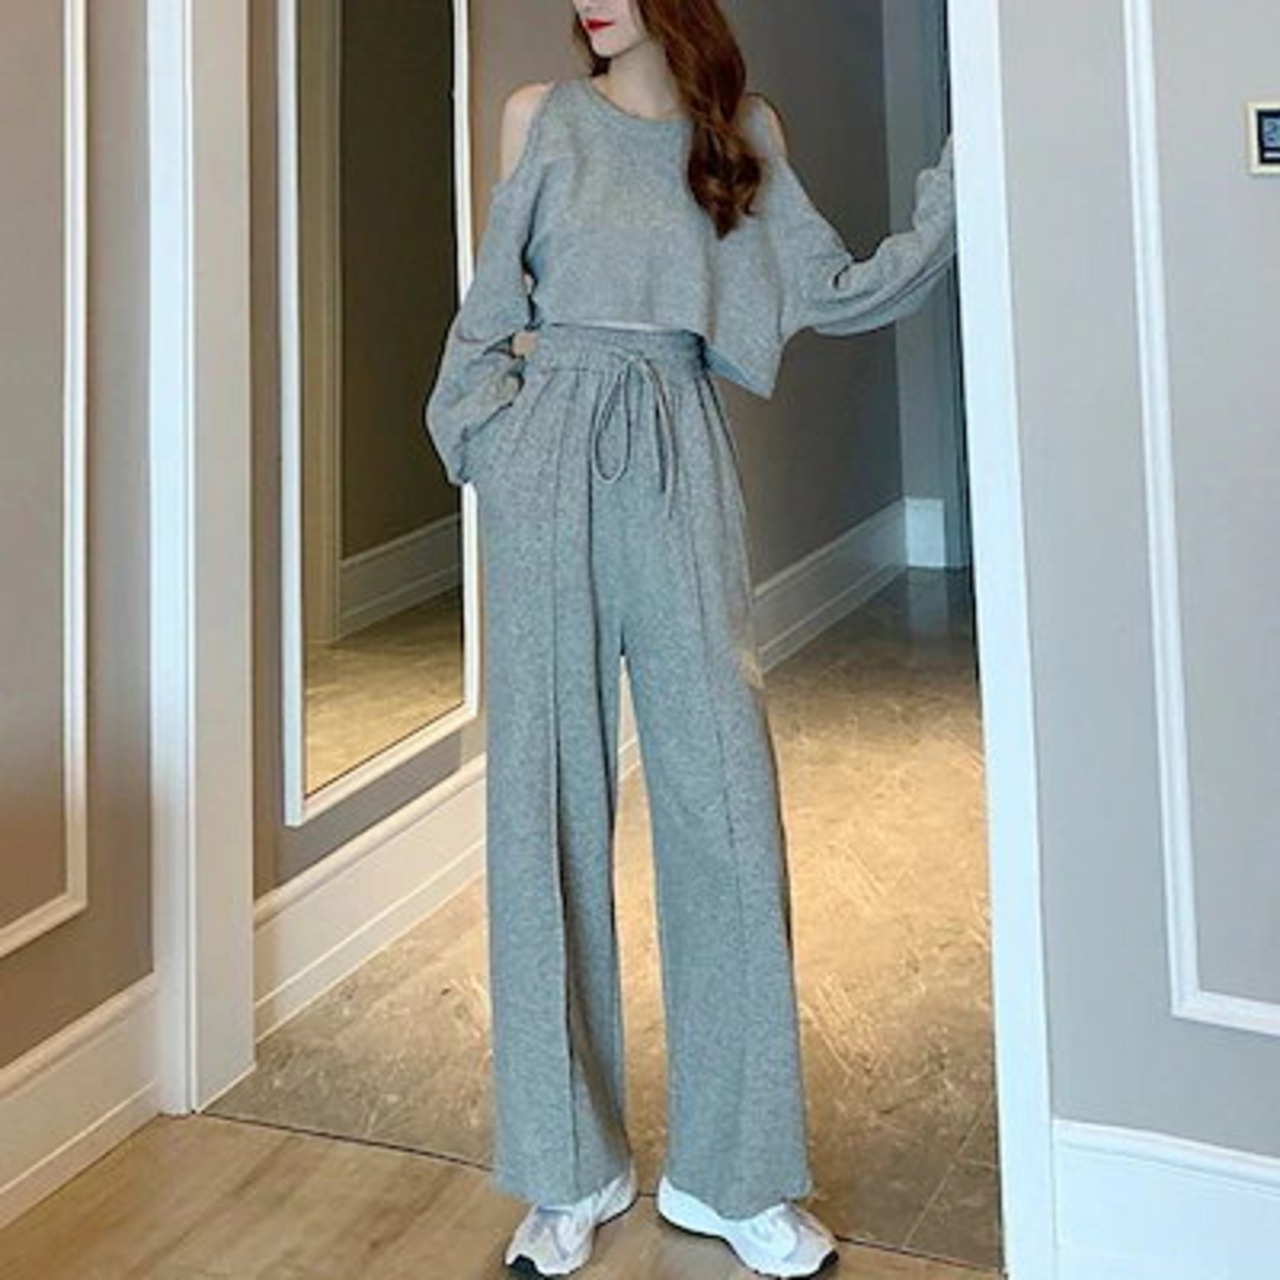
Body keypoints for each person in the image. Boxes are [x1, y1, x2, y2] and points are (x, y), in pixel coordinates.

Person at [423, 2, 955, 1275]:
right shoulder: (539, 120)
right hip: (548, 452)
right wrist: (489, 437)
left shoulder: (743, 134)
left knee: (721, 796)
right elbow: (486, 310)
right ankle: (567, 1164)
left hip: (679, 449)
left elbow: (830, 286)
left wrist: (961, 185)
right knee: (544, 799)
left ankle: (733, 1170)